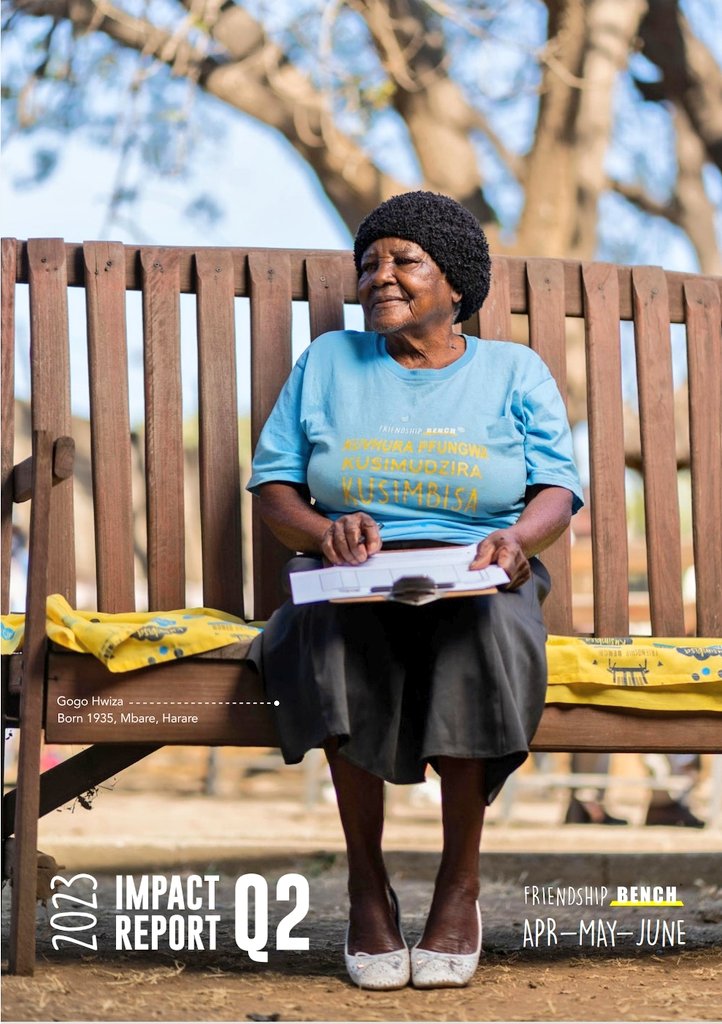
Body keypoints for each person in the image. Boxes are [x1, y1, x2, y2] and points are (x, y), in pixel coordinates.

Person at [247, 191, 583, 990]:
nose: (379, 277)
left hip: (475, 568)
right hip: (354, 567)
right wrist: (323, 530)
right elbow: (274, 489)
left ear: (456, 281)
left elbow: (557, 489)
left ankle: (457, 885)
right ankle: (367, 887)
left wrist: (516, 543)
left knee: (482, 633)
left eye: (404, 261)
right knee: (322, 627)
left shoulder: (513, 371)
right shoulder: (328, 362)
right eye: (369, 263)